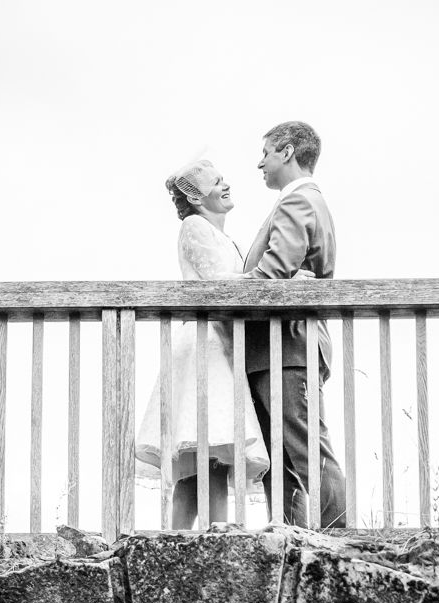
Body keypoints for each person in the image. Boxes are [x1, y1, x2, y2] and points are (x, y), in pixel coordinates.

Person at [136, 160, 285, 528]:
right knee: (211, 450)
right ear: (197, 198)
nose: (225, 185)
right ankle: (218, 538)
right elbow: (219, 283)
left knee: (205, 457)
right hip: (206, 347)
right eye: (217, 182)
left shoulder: (222, 235)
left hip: (219, 344)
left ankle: (181, 538)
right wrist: (276, 278)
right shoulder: (195, 226)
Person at [240, 121, 348, 528]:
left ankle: (339, 538)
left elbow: (271, 274)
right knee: (281, 457)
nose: (260, 164)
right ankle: (292, 536)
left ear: (287, 152)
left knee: (307, 449)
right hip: (277, 349)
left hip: (288, 346)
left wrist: (224, 284)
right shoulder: (304, 201)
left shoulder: (297, 201)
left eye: (265, 153)